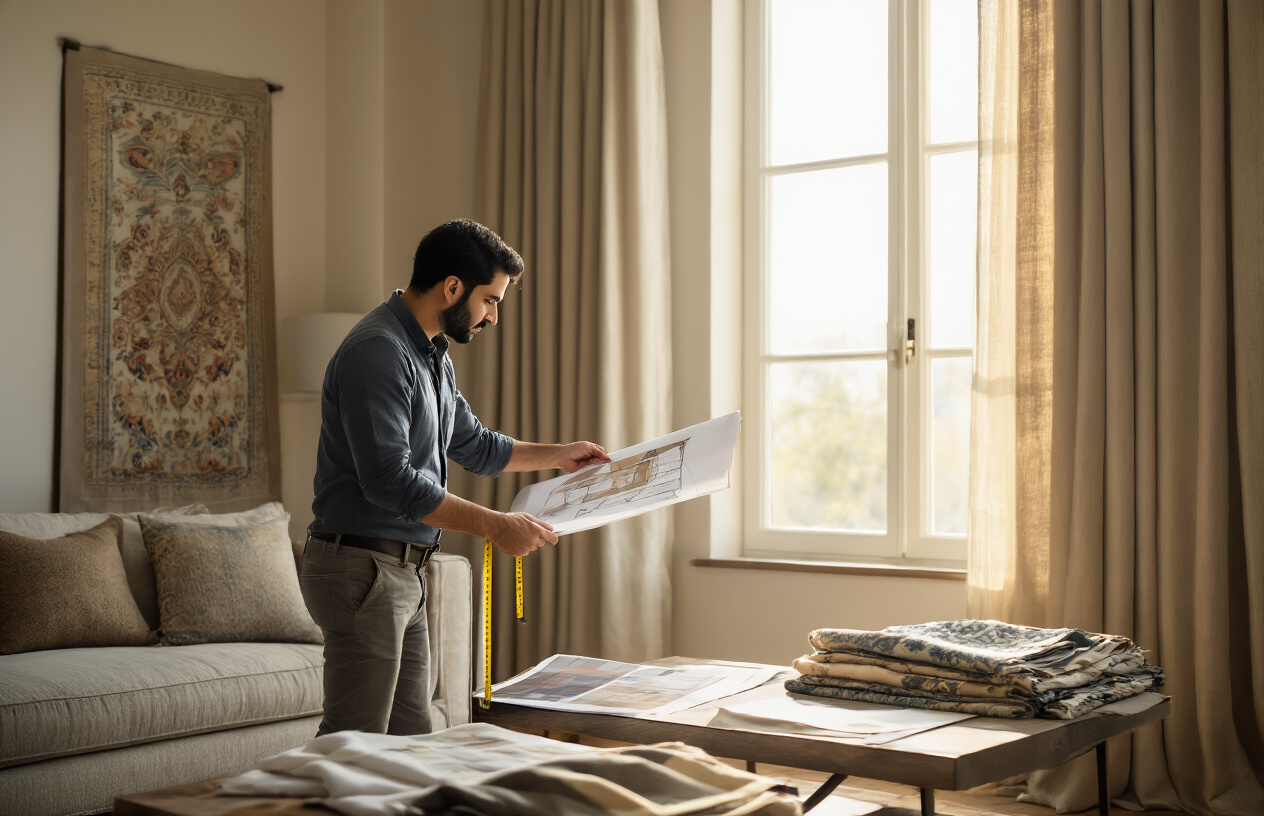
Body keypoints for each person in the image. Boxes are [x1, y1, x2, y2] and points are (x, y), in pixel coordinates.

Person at [300, 219, 610, 736]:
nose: (492, 316)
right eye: (490, 300)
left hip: (403, 570)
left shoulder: (430, 353)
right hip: (361, 568)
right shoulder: (378, 351)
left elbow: (476, 445)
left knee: (413, 739)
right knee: (353, 745)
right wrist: (495, 525)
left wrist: (562, 455)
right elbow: (389, 481)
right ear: (452, 287)